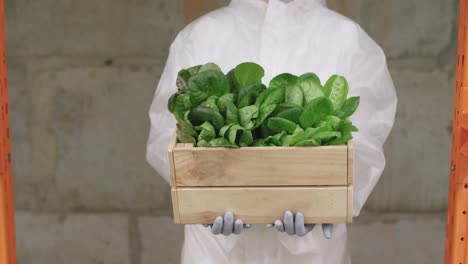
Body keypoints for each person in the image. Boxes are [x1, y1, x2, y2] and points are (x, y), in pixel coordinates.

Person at [146, 0, 397, 263]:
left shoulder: (347, 40)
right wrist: (204, 198)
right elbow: (168, 137)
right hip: (217, 251)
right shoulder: (201, 36)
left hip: (311, 252)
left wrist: (328, 204)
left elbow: (365, 144)